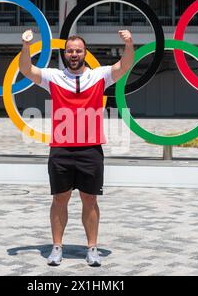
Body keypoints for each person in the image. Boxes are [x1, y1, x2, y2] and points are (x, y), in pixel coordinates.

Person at [19, 30, 134, 267]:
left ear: (85, 53)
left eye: (78, 51)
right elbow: (26, 70)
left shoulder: (99, 76)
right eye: (70, 51)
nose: (74, 54)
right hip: (61, 149)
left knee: (89, 199)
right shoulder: (53, 77)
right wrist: (26, 45)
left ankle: (92, 249)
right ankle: (57, 248)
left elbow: (125, 65)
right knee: (59, 199)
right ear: (65, 54)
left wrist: (129, 43)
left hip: (90, 149)